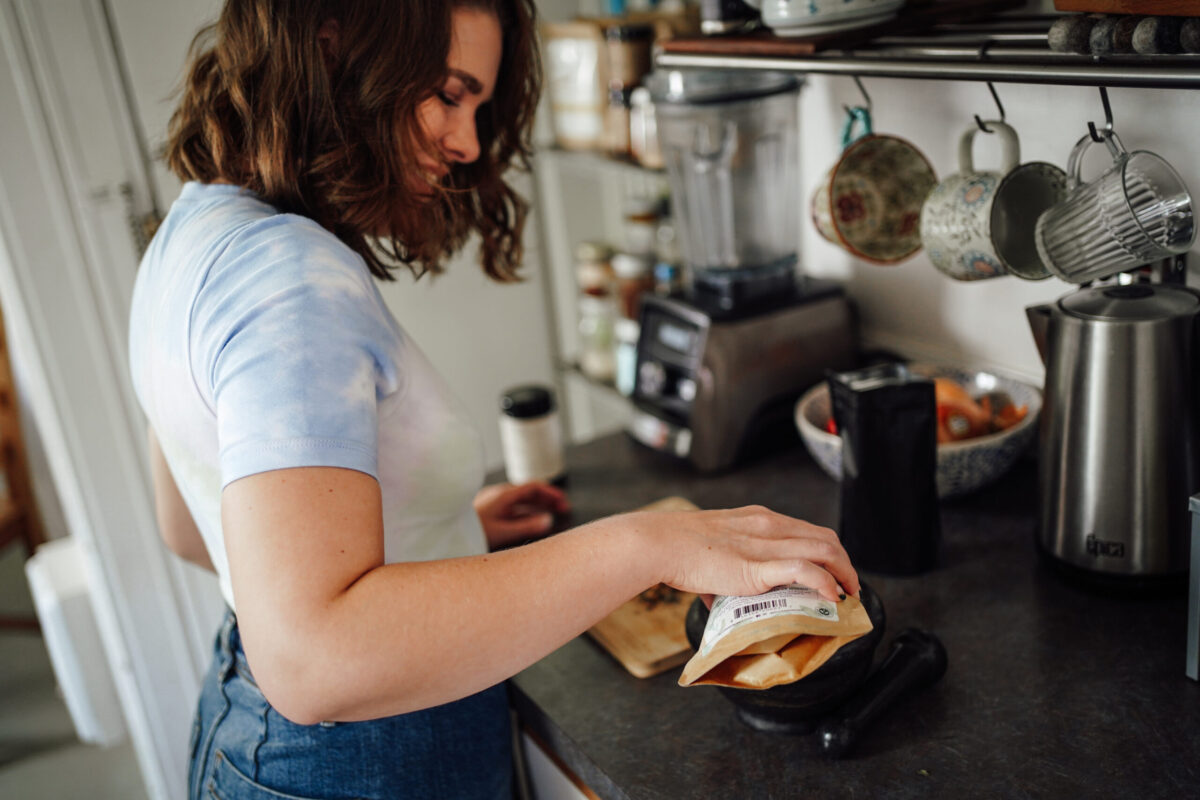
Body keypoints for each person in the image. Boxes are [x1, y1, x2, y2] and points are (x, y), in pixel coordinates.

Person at [127, 2, 861, 798]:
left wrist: (443, 529)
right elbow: (312, 659)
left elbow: (192, 527)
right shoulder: (289, 282)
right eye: (449, 93)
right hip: (364, 760)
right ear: (334, 43)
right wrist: (652, 544)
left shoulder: (194, 228)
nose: (469, 143)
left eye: (478, 107)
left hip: (247, 729)